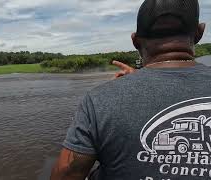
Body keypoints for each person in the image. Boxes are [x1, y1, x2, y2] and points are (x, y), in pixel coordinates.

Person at [50, 0, 211, 179]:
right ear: (199, 32)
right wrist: (141, 81)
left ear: (135, 41)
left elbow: (67, 174)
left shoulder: (99, 100)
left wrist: (129, 87)